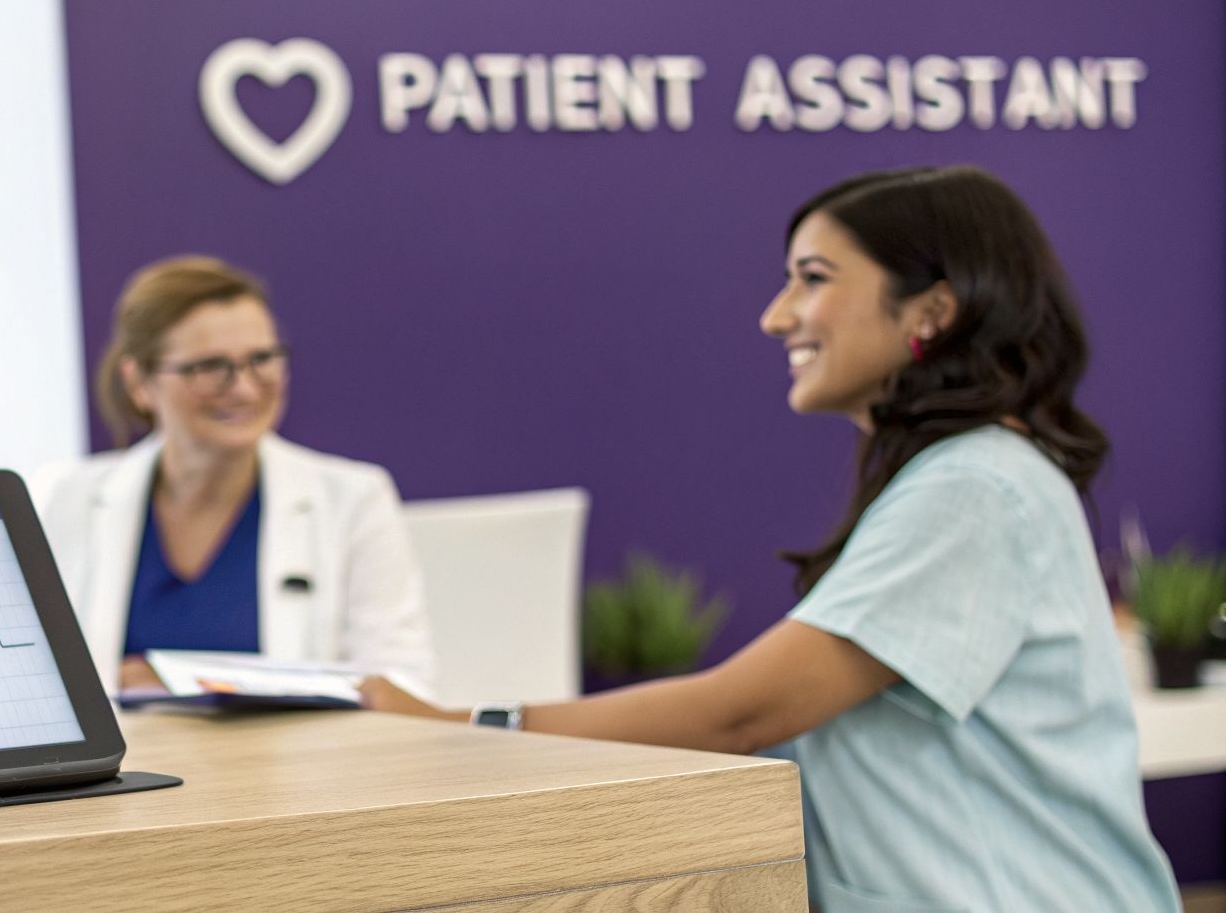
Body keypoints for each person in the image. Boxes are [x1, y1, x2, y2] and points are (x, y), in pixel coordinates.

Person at [361, 167, 1179, 911]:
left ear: (932, 310)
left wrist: (467, 729)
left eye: (812, 280)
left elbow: (743, 713)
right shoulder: (963, 478)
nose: (775, 315)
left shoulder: (975, 486)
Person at [30, 255, 433, 695]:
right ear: (139, 382)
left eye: (261, 359)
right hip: (130, 764)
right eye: (208, 367)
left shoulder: (354, 499)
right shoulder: (65, 497)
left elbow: (403, 687)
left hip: (298, 764)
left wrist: (170, 682)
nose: (243, 387)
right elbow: (33, 685)